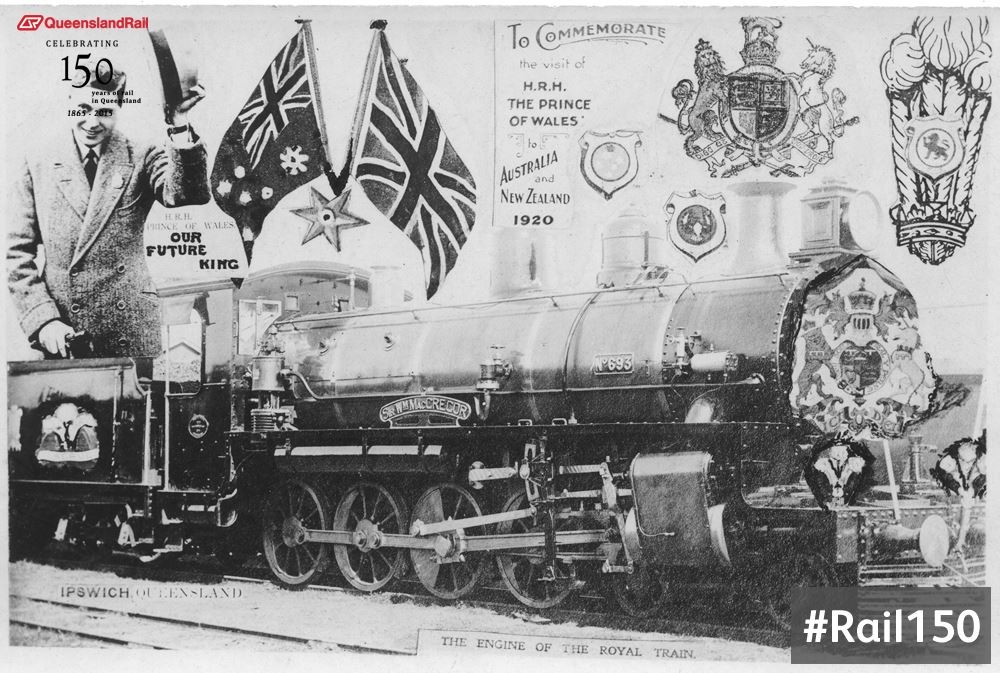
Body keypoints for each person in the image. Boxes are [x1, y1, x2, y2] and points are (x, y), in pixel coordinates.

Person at [7, 59, 210, 358]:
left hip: (131, 329)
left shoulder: (141, 153)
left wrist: (179, 122)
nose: (92, 122)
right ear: (69, 103)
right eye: (83, 110)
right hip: (64, 331)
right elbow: (15, 253)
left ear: (119, 109)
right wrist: (44, 321)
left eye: (104, 112)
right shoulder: (38, 160)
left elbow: (184, 195)